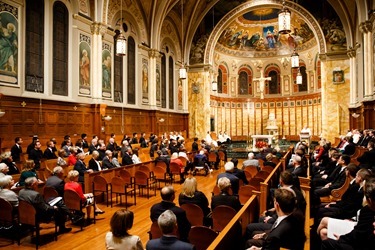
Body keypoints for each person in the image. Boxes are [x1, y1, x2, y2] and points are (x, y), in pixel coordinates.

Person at [320, 177, 375, 250]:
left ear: (370, 200)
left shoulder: (368, 210)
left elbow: (360, 236)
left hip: (362, 243)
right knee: (323, 230)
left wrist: (342, 239)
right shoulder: (367, 208)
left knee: (326, 242)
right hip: (356, 230)